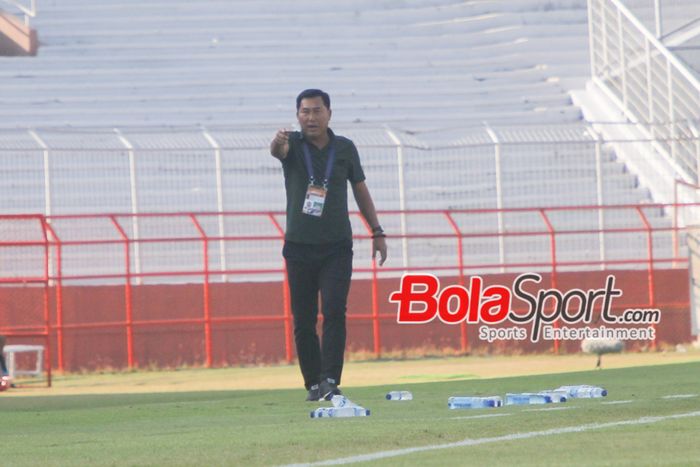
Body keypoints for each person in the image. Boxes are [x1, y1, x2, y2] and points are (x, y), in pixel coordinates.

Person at [270, 89, 387, 401]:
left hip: (336, 246)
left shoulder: (345, 148)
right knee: (304, 320)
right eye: (305, 111)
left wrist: (376, 230)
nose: (311, 117)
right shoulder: (292, 144)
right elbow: (276, 151)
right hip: (298, 246)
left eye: (317, 111)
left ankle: (330, 378)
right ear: (297, 115)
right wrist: (277, 142)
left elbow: (360, 189)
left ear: (329, 114)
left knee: (335, 310)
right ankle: (313, 383)